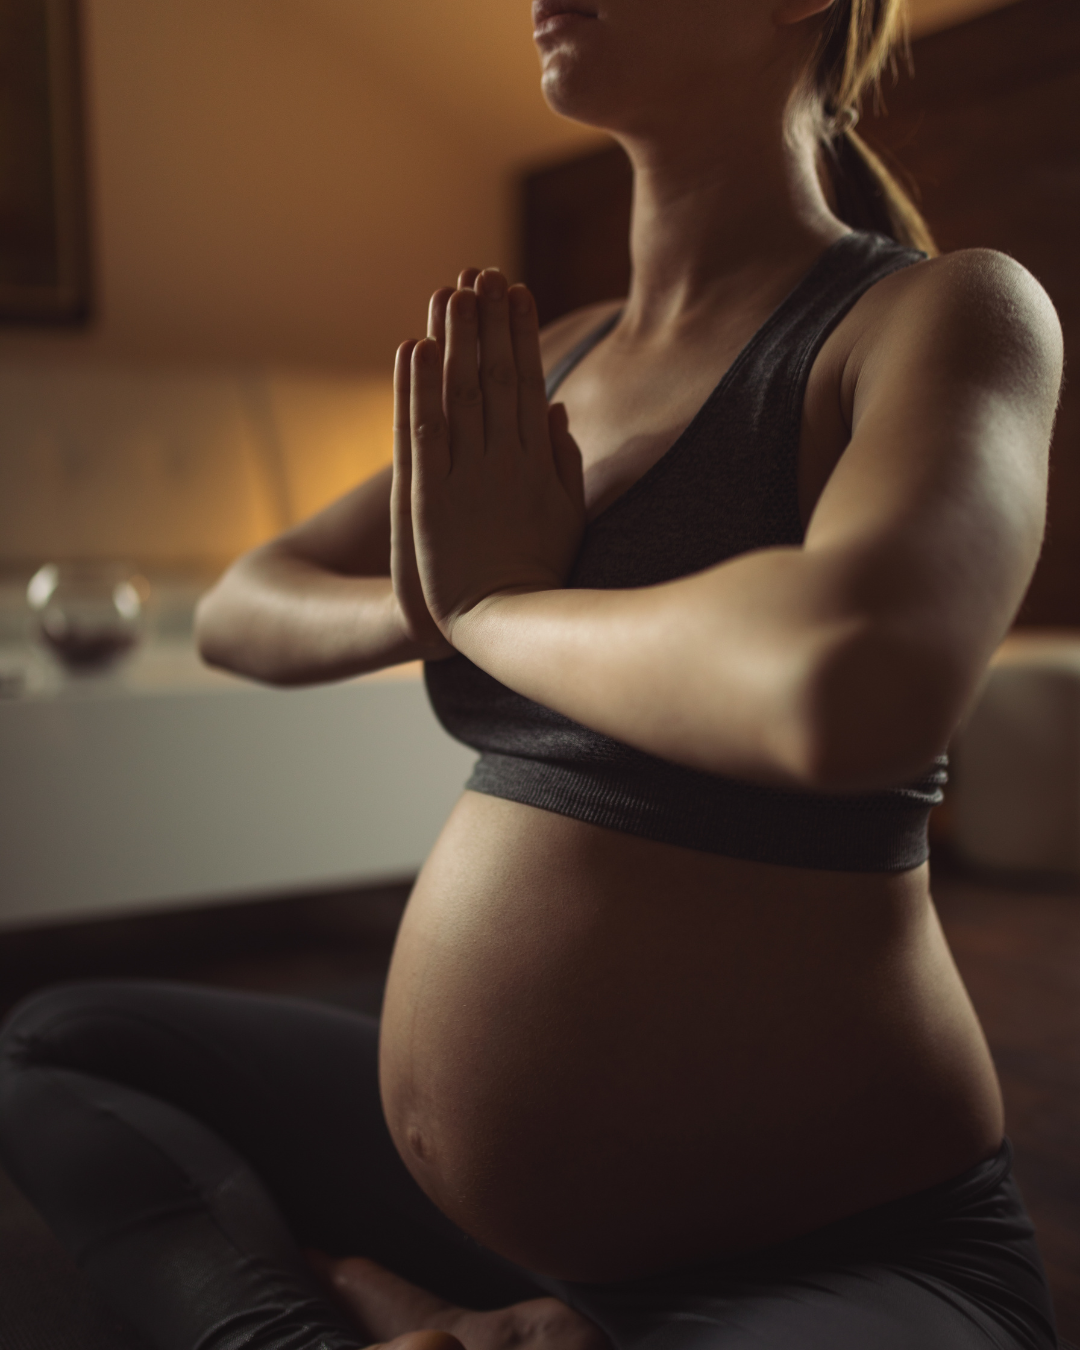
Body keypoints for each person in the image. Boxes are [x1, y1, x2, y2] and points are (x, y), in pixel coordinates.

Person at [0, 0, 1065, 1346]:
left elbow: (846, 680)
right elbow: (238, 607)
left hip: (836, 1253)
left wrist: (498, 601)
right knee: (64, 1045)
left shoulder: (939, 314)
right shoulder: (546, 361)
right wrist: (436, 602)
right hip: (486, 1208)